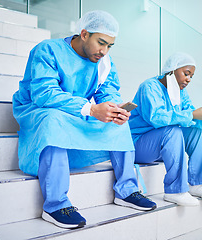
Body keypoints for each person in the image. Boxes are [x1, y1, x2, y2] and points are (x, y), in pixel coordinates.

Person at [12, 10, 156, 229]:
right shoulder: (48, 50)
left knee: (118, 126)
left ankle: (127, 190)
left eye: (110, 45)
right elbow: (44, 94)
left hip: (75, 111)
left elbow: (107, 92)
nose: (104, 51)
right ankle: (55, 204)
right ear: (84, 34)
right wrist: (90, 109)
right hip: (38, 109)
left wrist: (113, 108)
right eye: (101, 42)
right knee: (54, 119)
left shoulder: (103, 61)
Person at [128, 52, 202, 207]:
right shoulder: (149, 87)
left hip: (159, 146)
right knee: (173, 131)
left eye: (191, 76)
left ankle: (197, 184)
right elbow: (155, 118)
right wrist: (191, 114)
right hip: (137, 145)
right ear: (171, 70)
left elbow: (189, 119)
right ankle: (175, 191)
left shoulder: (180, 93)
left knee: (195, 132)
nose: (188, 79)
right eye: (186, 74)